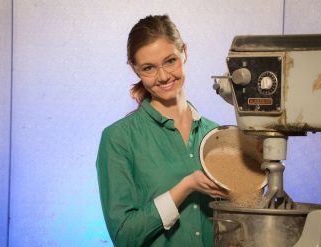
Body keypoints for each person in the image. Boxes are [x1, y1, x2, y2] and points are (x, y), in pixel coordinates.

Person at [96, 14, 227, 247]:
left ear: (184, 52)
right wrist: (185, 187)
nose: (164, 76)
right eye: (149, 68)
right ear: (135, 69)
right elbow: (124, 237)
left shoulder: (216, 136)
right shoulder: (118, 139)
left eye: (170, 61)